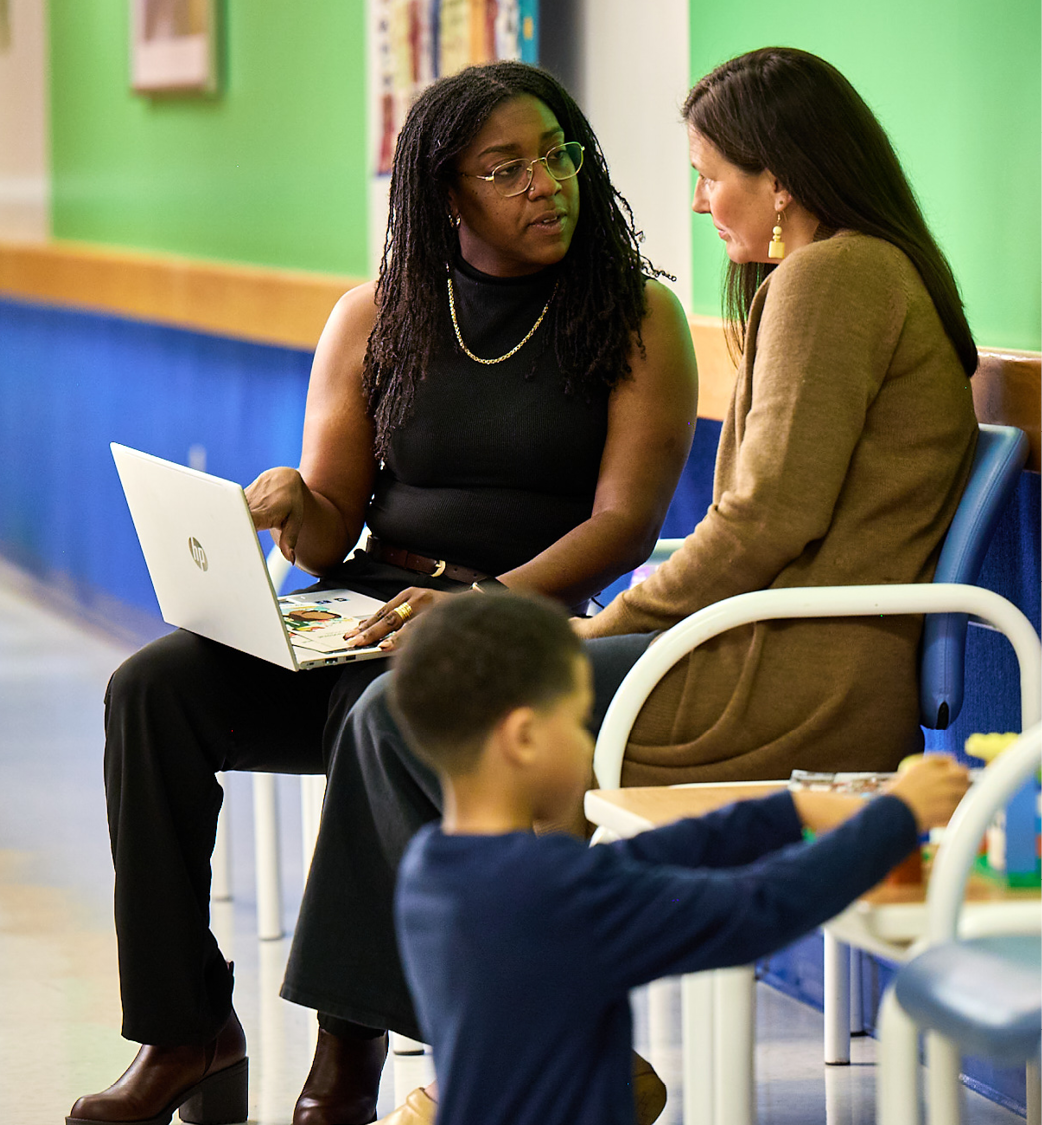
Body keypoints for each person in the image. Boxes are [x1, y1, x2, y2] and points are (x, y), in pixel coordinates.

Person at [310, 45, 982, 1122]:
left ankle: (482, 1065)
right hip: (764, 642)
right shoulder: (836, 273)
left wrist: (596, 631)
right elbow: (768, 521)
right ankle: (546, 1056)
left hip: (797, 667)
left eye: (713, 172)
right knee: (395, 712)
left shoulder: (832, 276)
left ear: (783, 177)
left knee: (400, 717)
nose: (700, 197)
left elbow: (767, 518)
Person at [67, 62, 698, 1125]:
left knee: (383, 714)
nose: (547, 184)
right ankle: (186, 1035)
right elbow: (329, 535)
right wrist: (288, 504)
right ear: (445, 195)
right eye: (508, 168)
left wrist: (485, 603)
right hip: (366, 604)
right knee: (151, 691)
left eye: (559, 154)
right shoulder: (377, 314)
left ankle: (347, 1055)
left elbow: (622, 527)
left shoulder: (638, 318)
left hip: (519, 626)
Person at [389, 591, 971, 1125]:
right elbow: (760, 908)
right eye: (576, 721)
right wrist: (898, 817)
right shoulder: (560, 894)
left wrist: (788, 810)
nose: (586, 741)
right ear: (524, 738)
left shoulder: (433, 871)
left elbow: (637, 866)